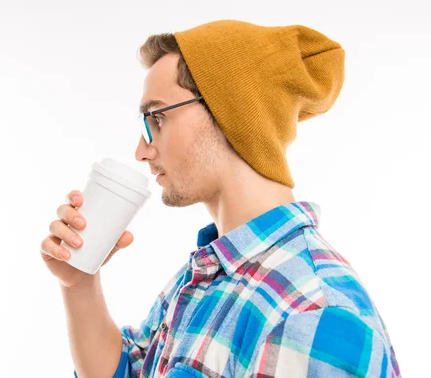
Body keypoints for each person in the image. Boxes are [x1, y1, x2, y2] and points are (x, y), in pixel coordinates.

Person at [40, 20, 401, 378]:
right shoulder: (207, 275)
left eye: (157, 118)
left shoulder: (313, 316)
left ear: (229, 111)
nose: (142, 150)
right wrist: (80, 284)